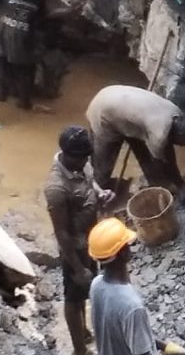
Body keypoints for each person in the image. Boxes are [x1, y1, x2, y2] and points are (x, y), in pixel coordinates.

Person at [45, 126, 115, 355]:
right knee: (74, 297)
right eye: (83, 156)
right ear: (67, 154)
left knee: (85, 291)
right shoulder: (56, 187)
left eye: (88, 155)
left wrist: (100, 193)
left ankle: (83, 331)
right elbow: (61, 232)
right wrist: (76, 267)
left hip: (90, 242)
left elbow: (90, 179)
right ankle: (79, 350)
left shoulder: (80, 163)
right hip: (74, 249)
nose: (87, 160)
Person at [87, 217, 185, 355]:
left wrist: (165, 347)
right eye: (127, 244)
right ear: (123, 253)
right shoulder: (132, 306)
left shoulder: (97, 285)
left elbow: (130, 333)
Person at [86, 85, 185, 204]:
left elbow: (165, 152)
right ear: (180, 134)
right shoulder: (159, 133)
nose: (183, 146)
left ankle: (158, 187)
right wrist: (181, 185)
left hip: (119, 103)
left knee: (145, 153)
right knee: (103, 166)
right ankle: (97, 197)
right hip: (103, 113)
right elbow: (164, 159)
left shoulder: (175, 112)